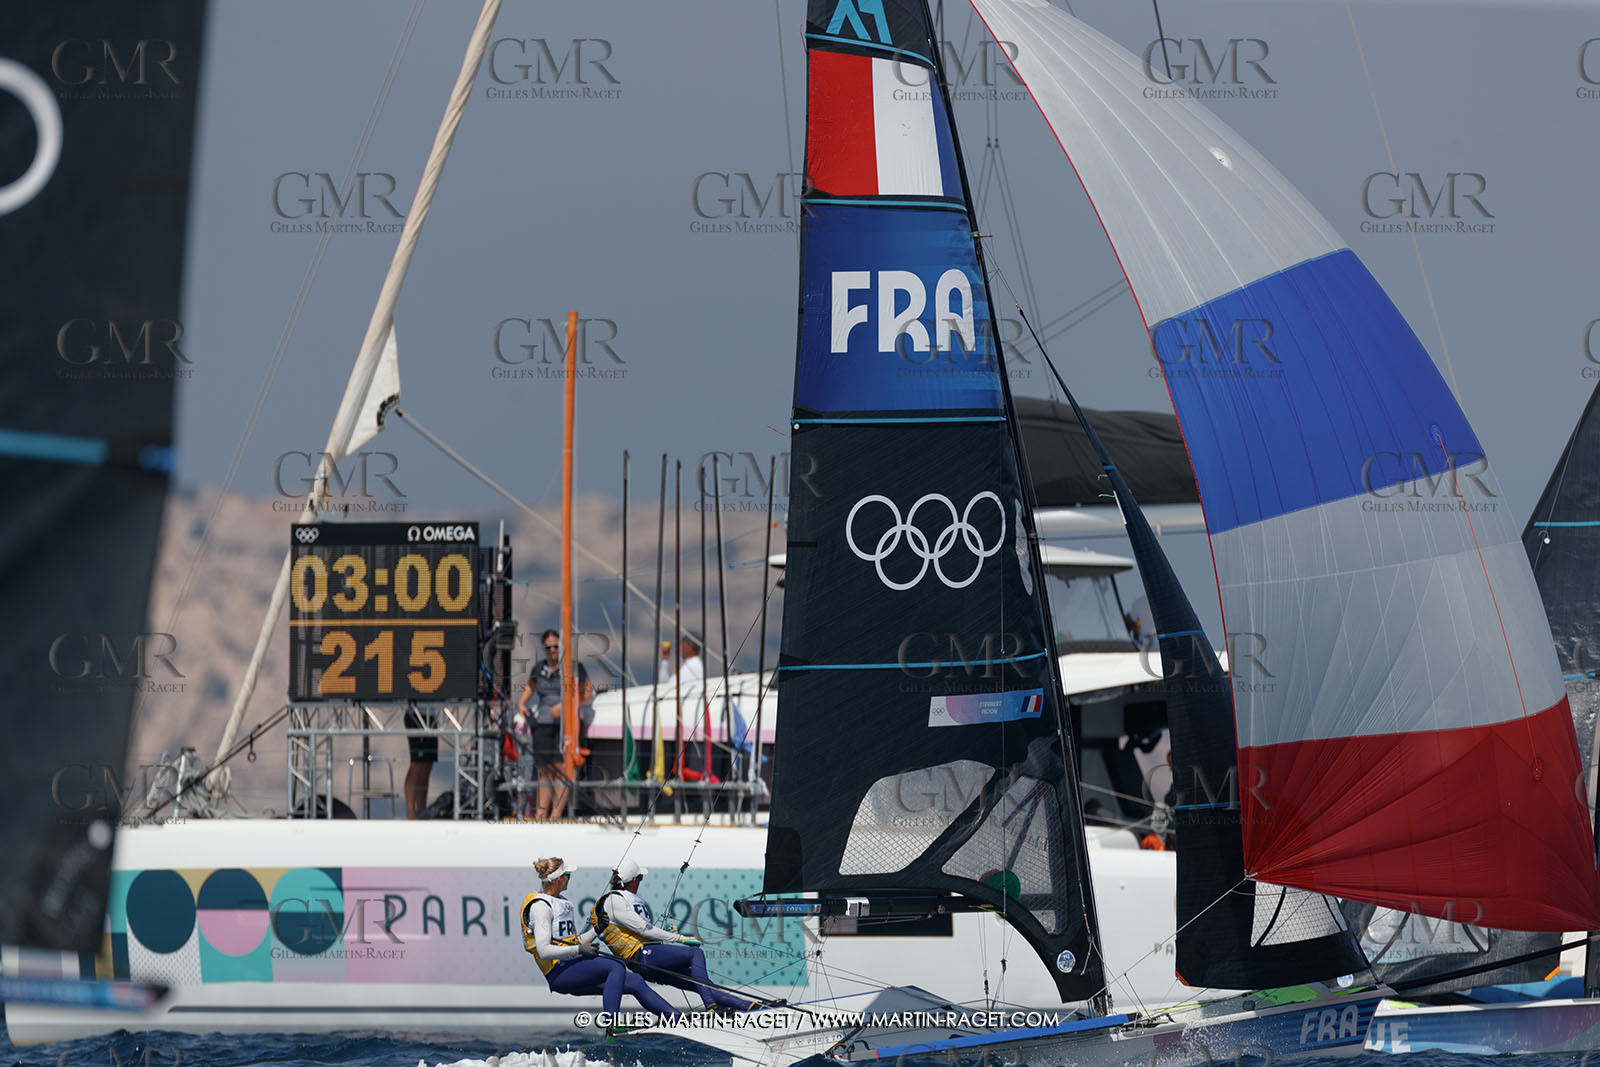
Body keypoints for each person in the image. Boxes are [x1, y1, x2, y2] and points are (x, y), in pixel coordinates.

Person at [521, 857, 682, 1022]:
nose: (570, 878)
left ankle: (677, 1019)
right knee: (616, 965)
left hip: (571, 966)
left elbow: (574, 940)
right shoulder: (540, 907)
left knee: (635, 981)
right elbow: (544, 950)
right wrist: (578, 950)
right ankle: (612, 1024)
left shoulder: (561, 903)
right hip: (559, 973)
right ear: (559, 879)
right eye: (568, 874)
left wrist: (597, 930)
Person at [590, 858, 762, 1013]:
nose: (641, 882)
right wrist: (679, 938)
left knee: (701, 984)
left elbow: (639, 931)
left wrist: (665, 933)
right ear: (634, 880)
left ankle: (748, 1006)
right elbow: (644, 929)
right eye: (640, 878)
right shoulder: (614, 901)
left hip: (647, 957)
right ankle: (711, 1006)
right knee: (696, 954)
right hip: (643, 957)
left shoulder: (625, 898)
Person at [516, 629, 593, 820]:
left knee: (562, 768)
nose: (552, 650)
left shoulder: (575, 667)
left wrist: (566, 706)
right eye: (548, 647)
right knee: (544, 769)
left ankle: (556, 814)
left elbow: (587, 693)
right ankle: (540, 813)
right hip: (542, 723)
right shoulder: (539, 669)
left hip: (565, 724)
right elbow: (530, 686)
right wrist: (522, 704)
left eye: (556, 647)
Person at [403, 708, 435, 819]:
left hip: (431, 717)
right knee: (417, 764)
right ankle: (410, 811)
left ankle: (422, 810)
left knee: (427, 765)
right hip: (416, 715)